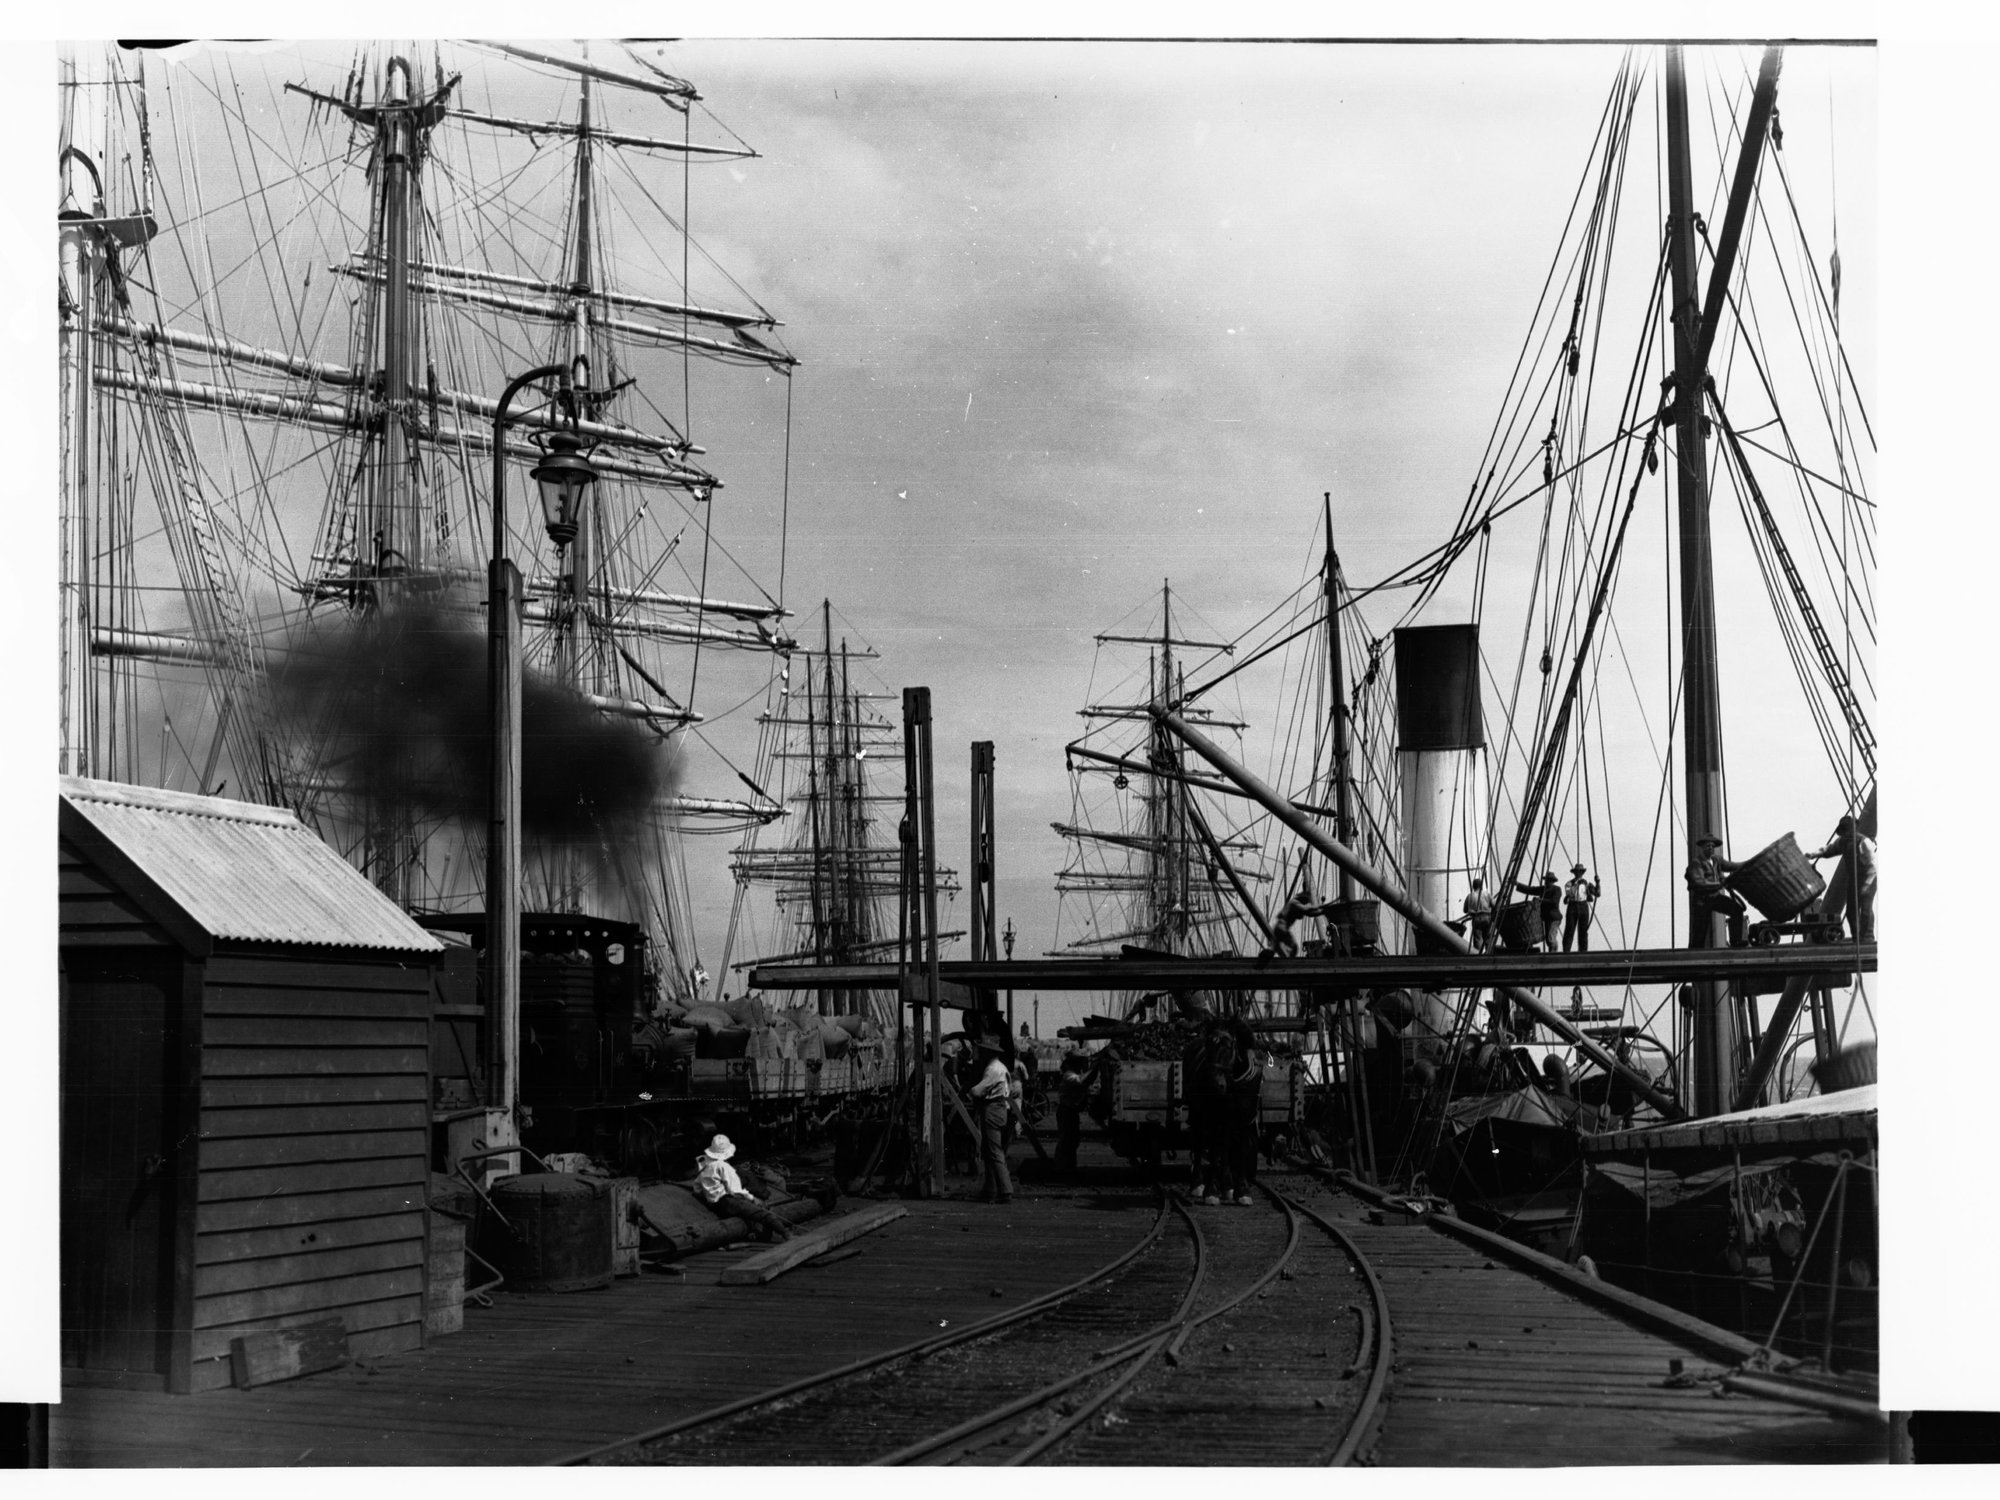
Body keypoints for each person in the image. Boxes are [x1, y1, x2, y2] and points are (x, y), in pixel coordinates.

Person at [692, 1134, 794, 1242]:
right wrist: (752, 1198)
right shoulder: (723, 1167)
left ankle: (762, 1234)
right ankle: (786, 1234)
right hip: (728, 1201)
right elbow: (735, 1191)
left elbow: (697, 1188)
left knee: (750, 1214)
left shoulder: (704, 1167)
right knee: (763, 1214)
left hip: (715, 1204)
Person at [1808, 814, 1876, 942]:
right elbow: (1829, 850)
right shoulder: (1844, 841)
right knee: (1851, 911)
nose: (1845, 834)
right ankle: (1857, 938)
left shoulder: (1864, 842)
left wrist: (1866, 885)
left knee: (1865, 908)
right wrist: (1813, 855)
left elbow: (1872, 867)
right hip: (1854, 878)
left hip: (1869, 877)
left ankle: (1867, 937)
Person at [1222, 1014, 1263, 1207]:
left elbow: (1269, 1060)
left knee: (1244, 1138)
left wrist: (1269, 1057)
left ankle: (1239, 1179)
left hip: (1247, 1103)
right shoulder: (1227, 1050)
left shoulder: (1259, 1057)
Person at [968, 1040, 1014, 1204]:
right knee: (989, 1151)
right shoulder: (1000, 1067)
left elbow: (978, 1090)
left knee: (994, 1151)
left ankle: (1006, 1190)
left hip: (992, 1110)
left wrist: (969, 1089)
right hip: (998, 1109)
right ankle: (990, 1189)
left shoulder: (992, 1069)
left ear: (987, 1051)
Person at [1686, 835, 1748, 947]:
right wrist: (1720, 884)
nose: (1710, 848)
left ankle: (1736, 941)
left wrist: (1748, 863)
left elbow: (1732, 866)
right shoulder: (1696, 863)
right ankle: (1695, 951)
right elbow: (1700, 883)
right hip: (1702, 901)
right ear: (1702, 847)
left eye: (1712, 846)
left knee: (1737, 910)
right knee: (1700, 929)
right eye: (1707, 846)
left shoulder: (1716, 860)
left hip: (1715, 897)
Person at [1264, 880, 1336, 960]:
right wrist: (1320, 906)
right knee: (1294, 948)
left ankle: (1266, 955)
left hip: (1278, 928)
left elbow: (1310, 913)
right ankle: (1289, 964)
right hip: (1282, 928)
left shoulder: (1296, 905)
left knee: (1273, 949)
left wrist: (1322, 912)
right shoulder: (1294, 903)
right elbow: (1306, 909)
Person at [1054, 1051, 1090, 1173]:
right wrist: (1092, 1070)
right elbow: (1080, 1080)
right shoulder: (1068, 1075)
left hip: (1070, 1111)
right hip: (1066, 1111)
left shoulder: (1070, 1074)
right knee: (1066, 1140)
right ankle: (1061, 1168)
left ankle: (1068, 1167)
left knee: (1072, 1140)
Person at [1515, 872, 1563, 953]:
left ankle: (1554, 953)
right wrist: (1517, 884)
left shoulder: (1557, 889)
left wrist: (1541, 900)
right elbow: (1530, 890)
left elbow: (1554, 902)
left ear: (1552, 881)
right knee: (1548, 939)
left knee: (1550, 938)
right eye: (1547, 880)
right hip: (1546, 917)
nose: (1547, 882)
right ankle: (1552, 953)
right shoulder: (1542, 889)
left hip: (1554, 918)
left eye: (1549, 880)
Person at [1562, 863, 1600, 952]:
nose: (1579, 874)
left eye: (1580, 872)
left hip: (1583, 906)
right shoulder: (1569, 884)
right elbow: (1570, 894)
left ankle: (1583, 951)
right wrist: (1576, 884)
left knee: (1583, 931)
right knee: (1569, 929)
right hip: (1572, 906)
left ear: (1582, 873)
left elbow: (1597, 893)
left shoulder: (1587, 884)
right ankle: (1566, 951)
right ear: (1575, 873)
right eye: (1577, 872)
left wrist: (1597, 883)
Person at [1462, 877, 1495, 952]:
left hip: (1476, 919)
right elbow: (1494, 905)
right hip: (1487, 918)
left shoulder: (1470, 896)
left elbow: (1465, 910)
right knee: (1488, 938)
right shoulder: (1487, 894)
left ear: (1473, 886)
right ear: (1481, 886)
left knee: (1477, 939)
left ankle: (1478, 955)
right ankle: (1489, 954)